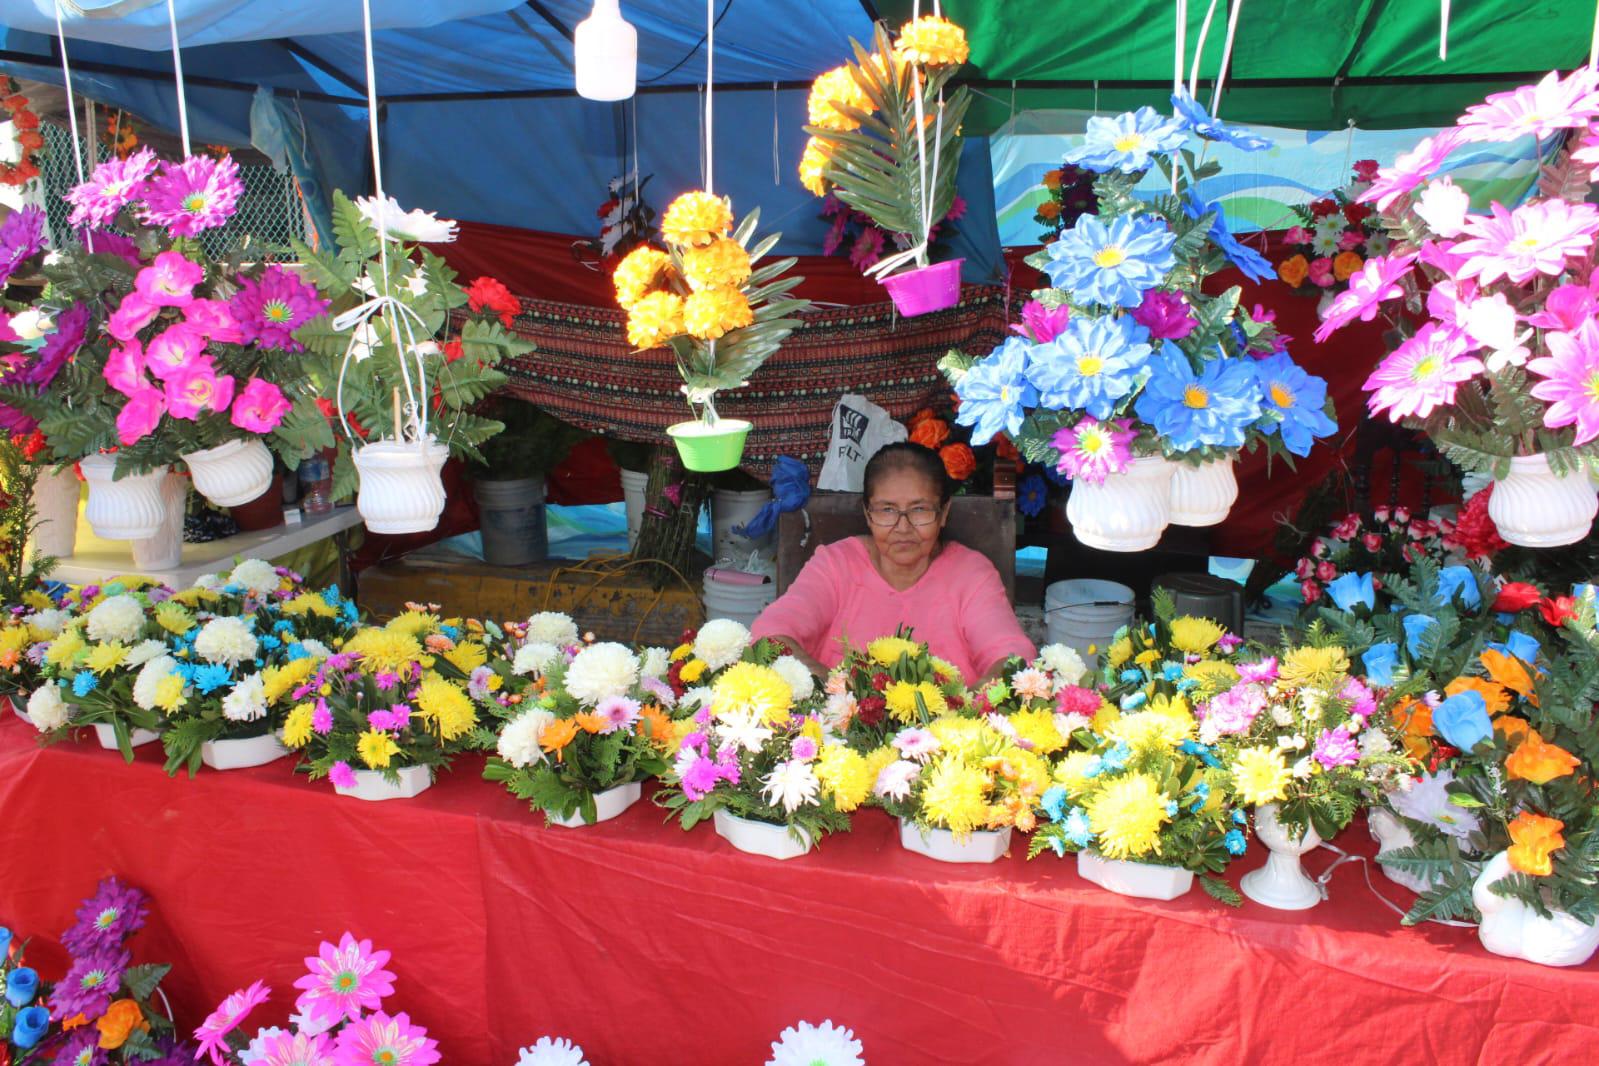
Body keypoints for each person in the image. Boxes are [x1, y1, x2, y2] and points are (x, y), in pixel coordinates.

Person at [751, 441, 1035, 684]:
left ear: (944, 512)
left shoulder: (971, 574)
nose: (903, 527)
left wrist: (958, 712)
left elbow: (1012, 660)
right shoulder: (835, 565)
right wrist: (843, 698)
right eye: (887, 510)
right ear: (867, 512)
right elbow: (770, 636)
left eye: (919, 509)